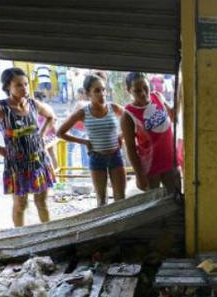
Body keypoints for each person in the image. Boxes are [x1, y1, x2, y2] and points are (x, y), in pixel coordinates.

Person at [0, 67, 55, 227]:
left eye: (26, 84)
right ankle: (21, 236)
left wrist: (41, 136)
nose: (24, 88)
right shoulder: (1, 108)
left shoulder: (33, 104)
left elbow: (51, 117)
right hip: (17, 165)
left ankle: (48, 235)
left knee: (42, 202)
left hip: (38, 161)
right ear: (7, 87)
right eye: (18, 85)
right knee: (20, 205)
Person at [57, 74, 125, 206]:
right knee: (101, 200)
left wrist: (121, 136)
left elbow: (131, 119)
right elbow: (60, 133)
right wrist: (85, 142)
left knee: (120, 198)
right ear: (88, 94)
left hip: (115, 156)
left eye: (103, 89)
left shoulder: (113, 107)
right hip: (96, 158)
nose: (102, 94)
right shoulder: (83, 112)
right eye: (97, 90)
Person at [121, 72, 181, 195]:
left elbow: (173, 115)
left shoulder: (158, 96)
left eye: (145, 88)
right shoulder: (128, 115)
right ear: (129, 90)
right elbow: (131, 149)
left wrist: (181, 91)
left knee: (175, 198)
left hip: (170, 160)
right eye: (137, 90)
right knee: (154, 204)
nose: (143, 93)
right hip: (150, 167)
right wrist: (139, 175)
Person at [67, 88, 89, 170]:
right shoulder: (90, 103)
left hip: (77, 128)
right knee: (84, 149)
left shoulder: (79, 103)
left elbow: (73, 116)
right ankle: (85, 167)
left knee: (70, 149)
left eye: (78, 94)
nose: (77, 95)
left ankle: (69, 167)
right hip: (85, 128)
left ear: (82, 94)